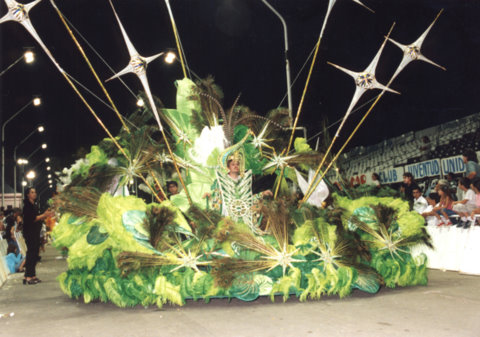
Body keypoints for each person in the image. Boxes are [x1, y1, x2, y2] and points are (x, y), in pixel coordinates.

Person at [22, 187, 54, 285]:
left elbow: (37, 217)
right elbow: (32, 219)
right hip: (30, 233)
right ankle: (28, 276)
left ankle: (32, 275)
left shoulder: (34, 205)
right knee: (31, 253)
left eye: (35, 192)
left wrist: (45, 215)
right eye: (32, 192)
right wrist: (44, 215)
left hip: (35, 232)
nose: (34, 194)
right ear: (27, 194)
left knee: (35, 253)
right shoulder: (27, 206)